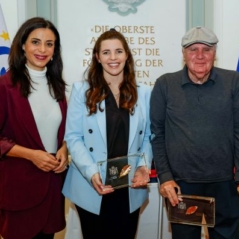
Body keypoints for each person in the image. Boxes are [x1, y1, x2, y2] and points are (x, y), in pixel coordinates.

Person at [150, 26, 239, 239]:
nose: (200, 56)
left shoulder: (234, 82)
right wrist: (165, 177)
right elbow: (157, 134)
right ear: (183, 53)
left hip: (224, 183)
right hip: (181, 186)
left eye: (206, 49)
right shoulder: (165, 84)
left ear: (215, 53)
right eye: (193, 49)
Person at [62, 28, 153, 239]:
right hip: (92, 182)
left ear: (127, 55)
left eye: (118, 51)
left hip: (129, 184)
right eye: (106, 52)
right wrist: (92, 172)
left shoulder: (144, 92)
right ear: (97, 57)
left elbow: (149, 136)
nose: (113, 58)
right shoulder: (81, 91)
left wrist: (143, 165)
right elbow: (73, 137)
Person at [0, 17, 68, 239]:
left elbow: (62, 132)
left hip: (52, 187)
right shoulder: (5, 86)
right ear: (22, 45)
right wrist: (30, 155)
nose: (42, 49)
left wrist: (65, 150)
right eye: (35, 42)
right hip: (18, 189)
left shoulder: (57, 86)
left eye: (49, 44)